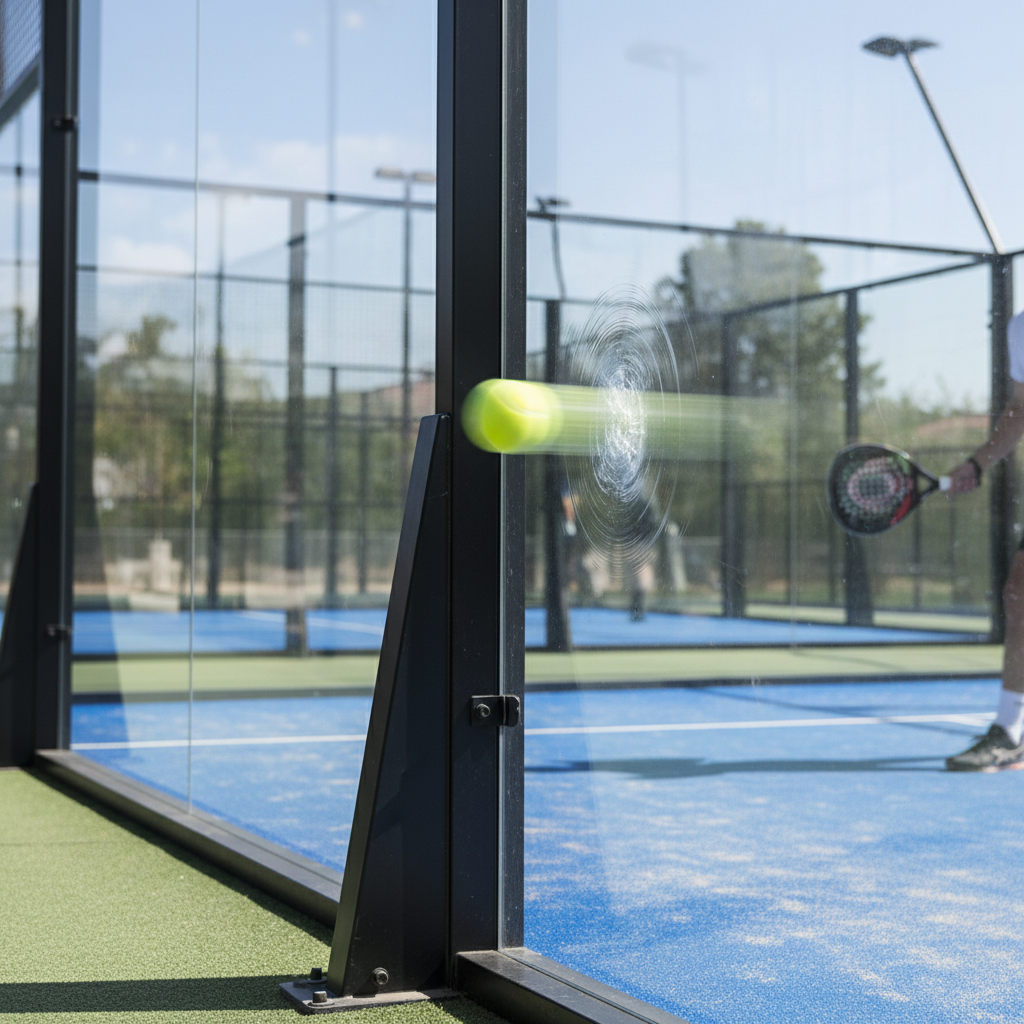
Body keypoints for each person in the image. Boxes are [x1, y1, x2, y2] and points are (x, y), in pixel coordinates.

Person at [946, 311, 1024, 770]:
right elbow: (1021, 408)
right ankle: (1010, 729)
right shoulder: (1022, 328)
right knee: (1019, 592)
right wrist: (977, 464)